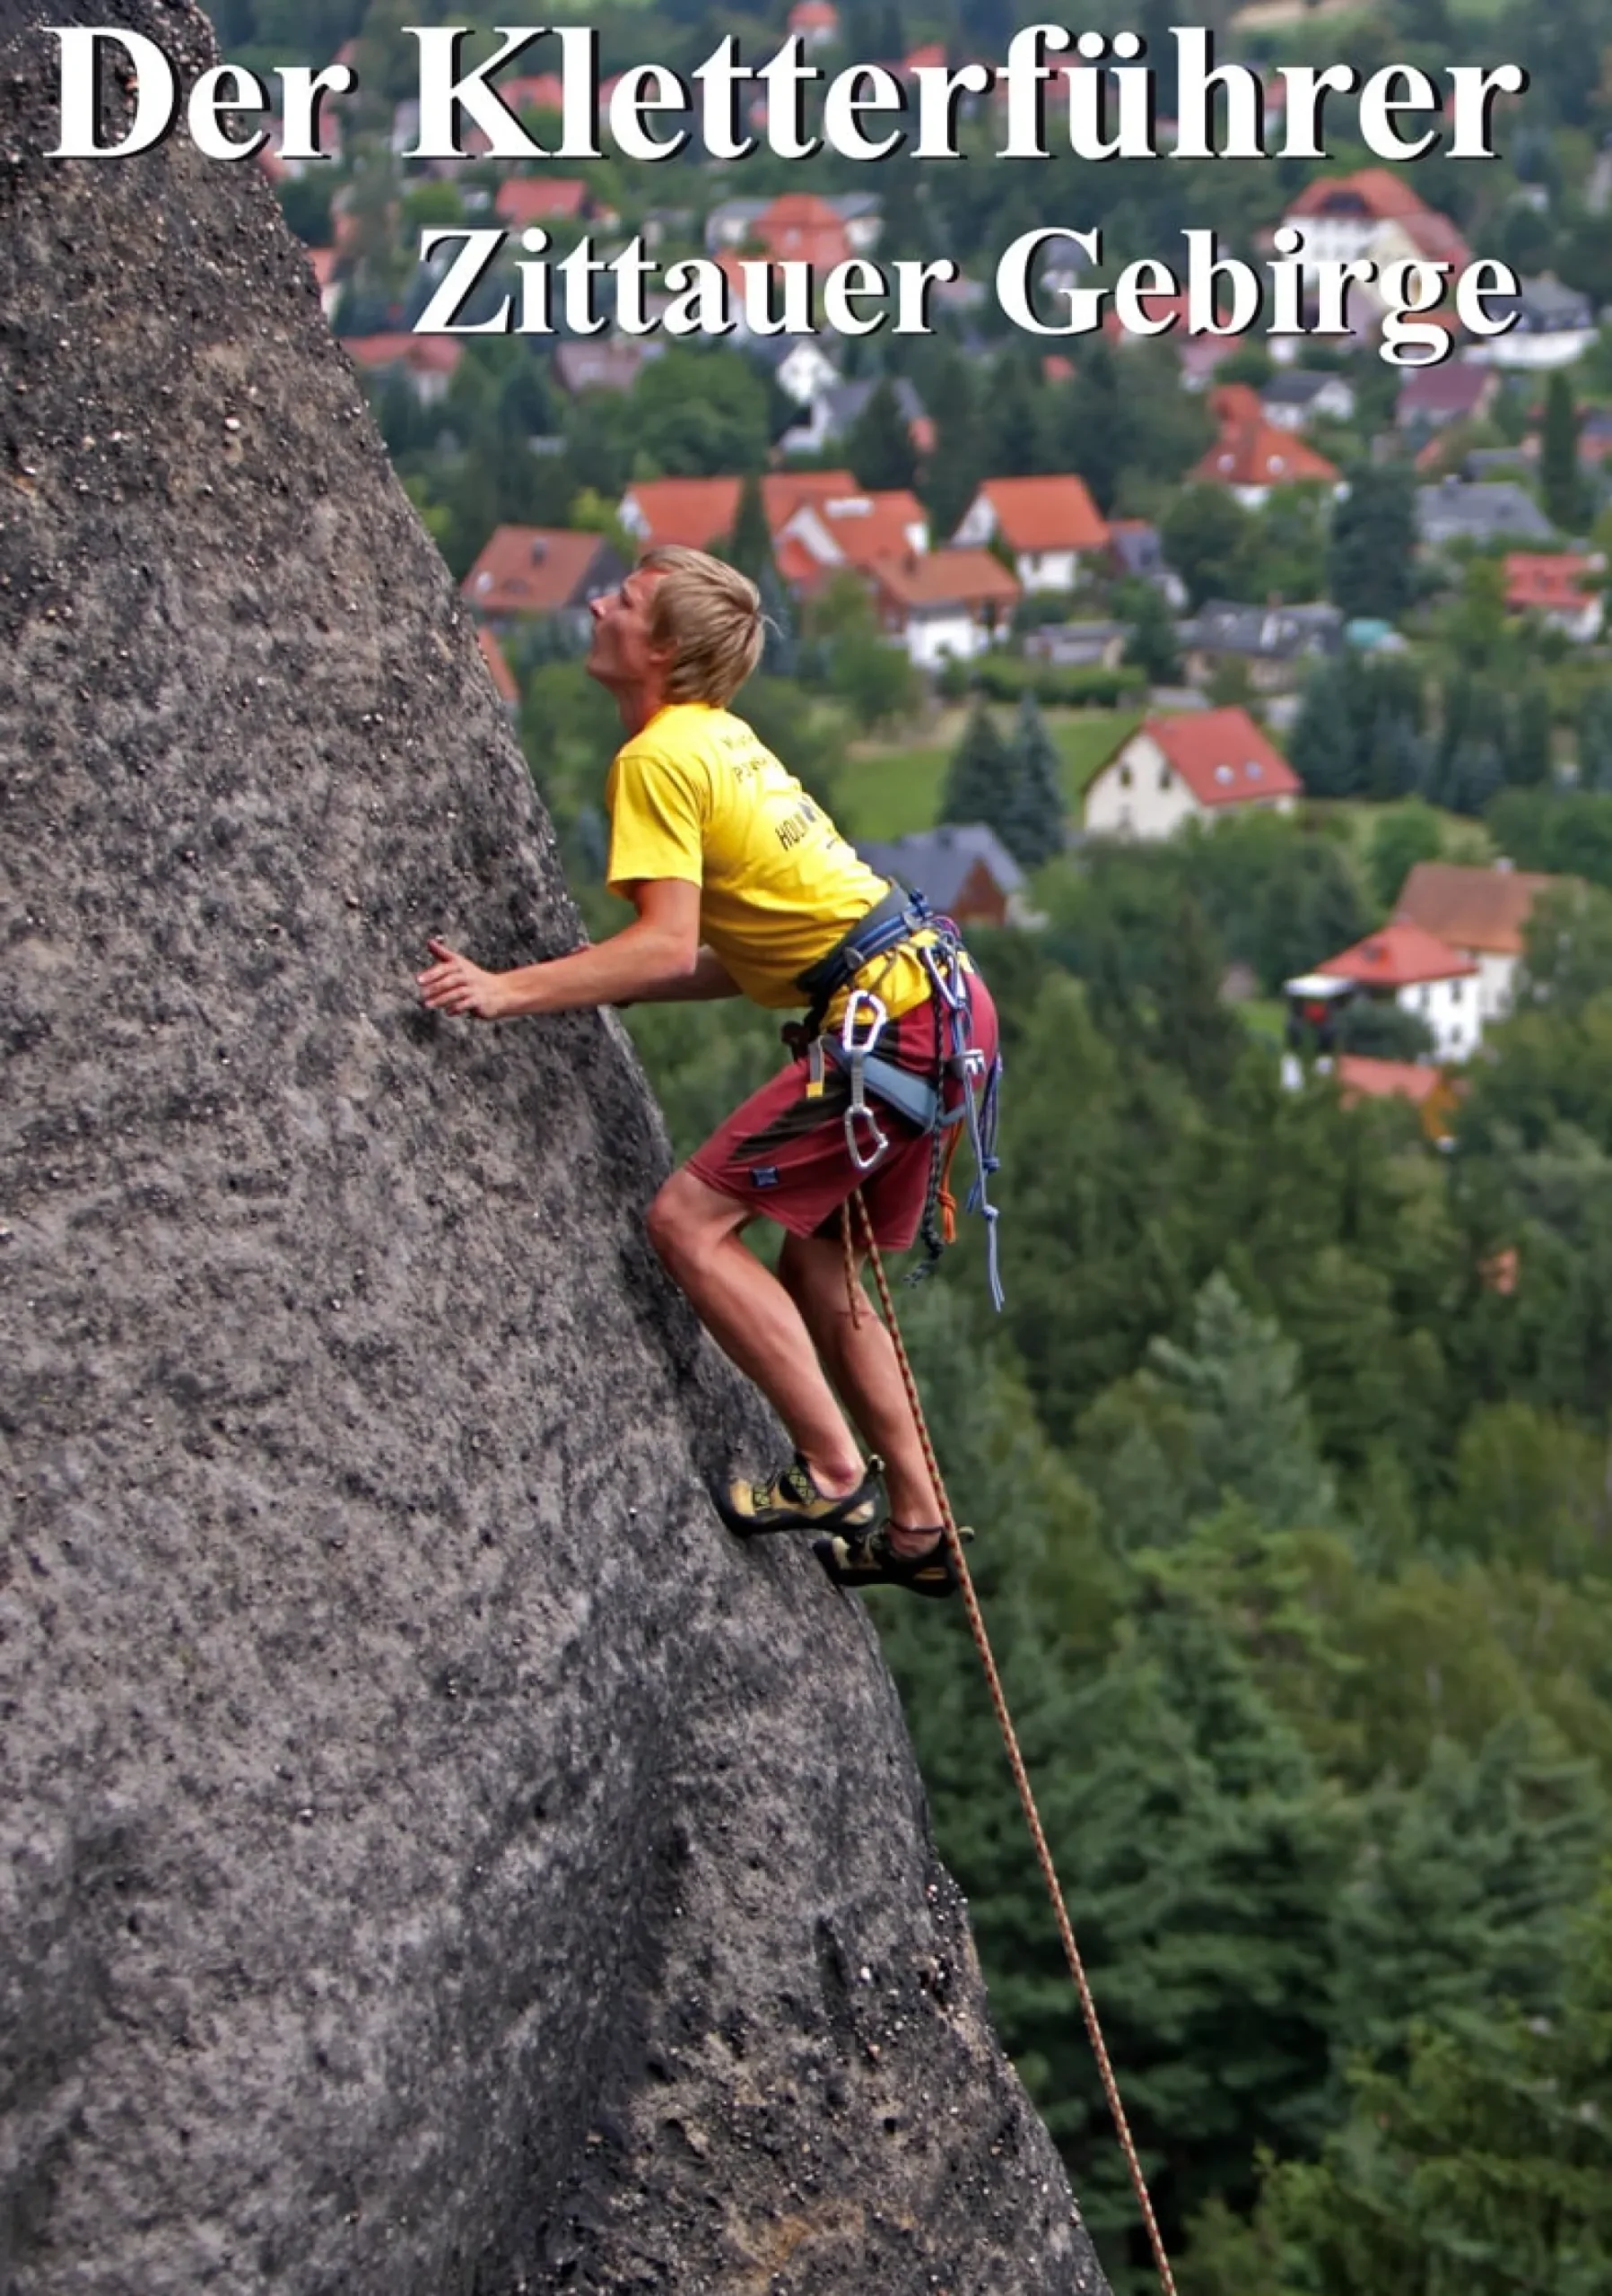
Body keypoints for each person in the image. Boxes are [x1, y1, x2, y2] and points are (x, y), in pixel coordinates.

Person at [417, 546, 999, 1599]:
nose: (597, 603)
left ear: (665, 649)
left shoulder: (655, 759)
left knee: (687, 1223)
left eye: (624, 600)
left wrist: (508, 989)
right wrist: (622, 983)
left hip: (887, 1027)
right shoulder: (720, 741)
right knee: (820, 1268)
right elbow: (747, 956)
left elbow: (655, 941)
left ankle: (832, 1471)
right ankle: (917, 1522)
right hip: (939, 1004)